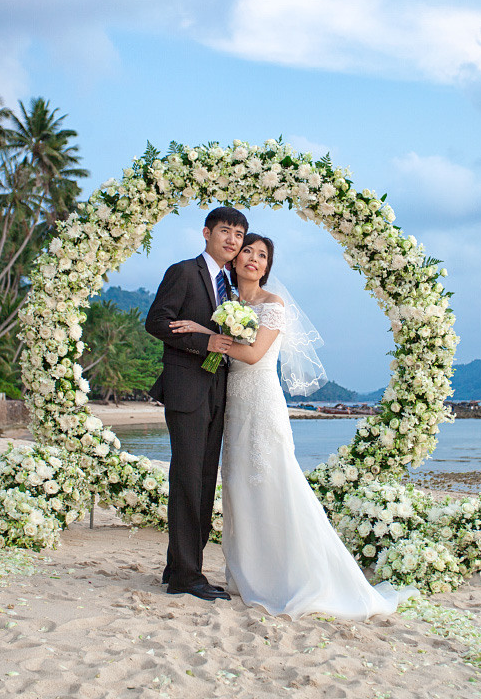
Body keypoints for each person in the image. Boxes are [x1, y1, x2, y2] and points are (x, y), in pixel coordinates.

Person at [171, 233, 416, 619]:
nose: (253, 258)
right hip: (231, 406)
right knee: (238, 488)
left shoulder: (273, 305)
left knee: (275, 482)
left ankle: (293, 578)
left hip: (262, 401)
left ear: (268, 267)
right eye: (247, 251)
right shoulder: (228, 304)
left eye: (262, 255)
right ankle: (250, 575)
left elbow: (252, 354)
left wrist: (204, 335)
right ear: (234, 261)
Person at [144, 207, 248, 602]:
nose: (232, 240)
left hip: (219, 392)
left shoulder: (232, 285)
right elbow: (156, 321)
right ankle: (187, 576)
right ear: (206, 232)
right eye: (225, 231)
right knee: (188, 481)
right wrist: (204, 342)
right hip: (187, 391)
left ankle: (180, 567)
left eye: (239, 235)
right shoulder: (184, 271)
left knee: (205, 482)